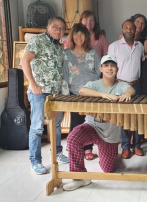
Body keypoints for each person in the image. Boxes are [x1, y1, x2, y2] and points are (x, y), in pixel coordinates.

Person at [62, 55, 136, 191]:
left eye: (112, 66)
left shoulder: (121, 85)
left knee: (107, 169)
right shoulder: (94, 84)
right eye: (106, 66)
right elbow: (82, 91)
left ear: (117, 69)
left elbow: (130, 89)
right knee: (72, 139)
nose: (109, 68)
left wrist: (128, 94)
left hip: (110, 133)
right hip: (92, 126)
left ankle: (110, 154)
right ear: (101, 68)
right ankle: (79, 178)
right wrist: (102, 95)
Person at [20, 16, 69, 175]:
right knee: (37, 127)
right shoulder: (37, 41)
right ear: (48, 26)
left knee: (56, 125)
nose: (59, 31)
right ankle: (35, 161)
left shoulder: (59, 45)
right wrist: (33, 85)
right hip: (40, 93)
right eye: (56, 27)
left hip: (57, 92)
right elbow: (24, 62)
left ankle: (57, 152)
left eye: (62, 29)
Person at [62, 23, 101, 160]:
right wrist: (66, 95)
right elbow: (65, 75)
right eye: (76, 34)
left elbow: (98, 72)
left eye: (82, 34)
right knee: (76, 121)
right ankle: (75, 148)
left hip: (90, 92)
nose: (79, 37)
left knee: (89, 121)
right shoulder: (66, 53)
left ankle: (88, 148)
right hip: (73, 92)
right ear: (72, 36)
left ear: (86, 37)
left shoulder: (92, 52)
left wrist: (91, 85)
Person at [108, 19, 144, 158]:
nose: (129, 30)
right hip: (121, 85)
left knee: (137, 116)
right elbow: (109, 68)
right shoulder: (114, 46)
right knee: (123, 118)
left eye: (132, 28)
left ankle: (137, 145)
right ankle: (125, 147)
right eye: (126, 27)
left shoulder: (139, 46)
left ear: (135, 30)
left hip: (137, 84)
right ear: (122, 29)